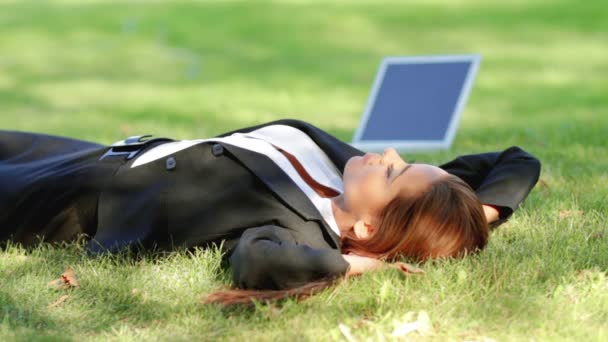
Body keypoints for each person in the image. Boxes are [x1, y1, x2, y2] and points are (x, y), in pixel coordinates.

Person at [0, 118, 541, 302]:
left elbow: (258, 264)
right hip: (99, 152)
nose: (389, 155)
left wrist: (357, 264)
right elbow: (515, 160)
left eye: (394, 173)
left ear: (371, 225)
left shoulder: (298, 230)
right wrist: (483, 211)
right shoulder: (348, 172)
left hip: (67, 200)